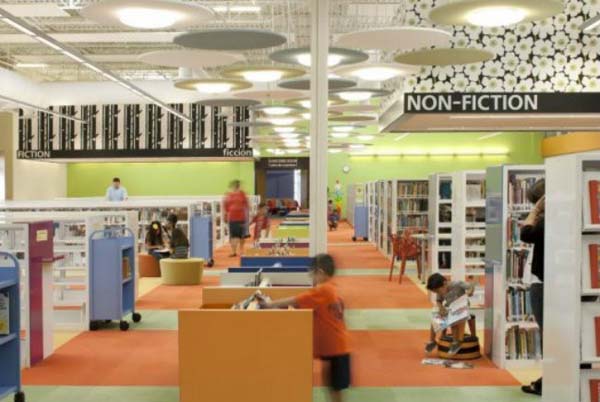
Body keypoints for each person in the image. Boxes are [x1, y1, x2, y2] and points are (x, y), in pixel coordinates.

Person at [259, 254, 351, 402]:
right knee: (330, 383)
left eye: (312, 275)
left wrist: (270, 304)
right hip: (337, 345)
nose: (312, 280)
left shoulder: (323, 290)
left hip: (336, 348)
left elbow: (296, 300)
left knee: (335, 389)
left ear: (320, 272)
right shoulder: (333, 288)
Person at [520, 179, 545, 396]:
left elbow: (525, 233)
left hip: (543, 284)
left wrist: (536, 211)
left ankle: (550, 379)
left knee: (548, 332)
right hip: (555, 282)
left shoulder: (544, 220)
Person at [425, 273, 475, 356]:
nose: (438, 293)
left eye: (437, 291)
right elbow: (439, 301)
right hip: (450, 308)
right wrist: (441, 308)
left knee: (454, 322)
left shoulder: (457, 284)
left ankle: (456, 341)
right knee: (435, 319)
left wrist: (470, 291)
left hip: (462, 307)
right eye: (436, 291)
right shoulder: (439, 289)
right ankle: (432, 341)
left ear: (445, 283)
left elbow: (471, 286)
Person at [224, 180, 249, 257]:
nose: (236, 187)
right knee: (234, 236)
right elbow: (226, 207)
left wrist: (248, 217)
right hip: (232, 218)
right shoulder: (229, 195)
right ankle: (234, 251)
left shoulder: (242, 194)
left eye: (237, 185)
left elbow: (247, 205)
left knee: (241, 236)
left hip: (241, 218)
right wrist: (225, 216)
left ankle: (241, 250)